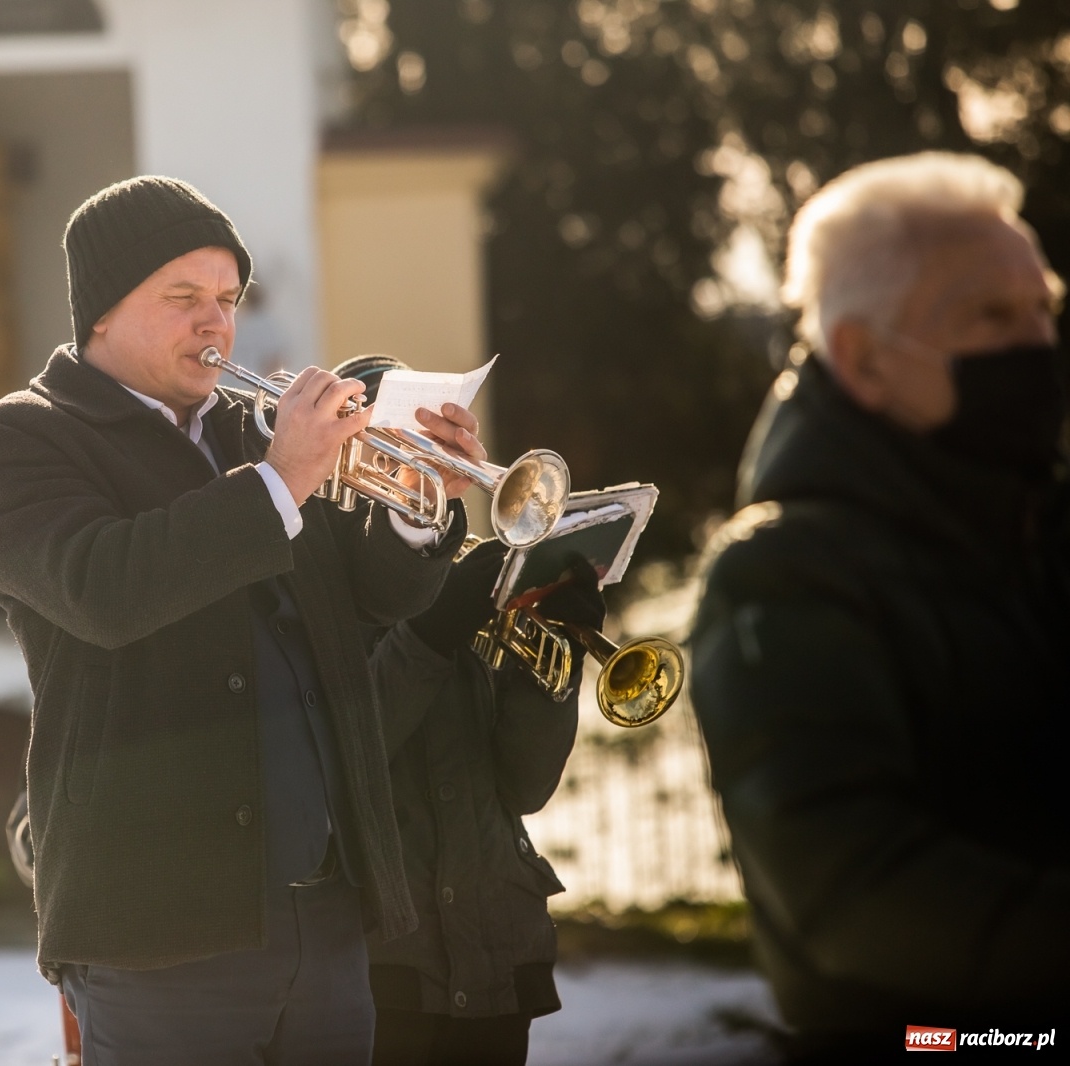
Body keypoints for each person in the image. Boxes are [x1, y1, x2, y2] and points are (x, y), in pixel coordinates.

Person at [0, 176, 489, 1065]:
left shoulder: (255, 433)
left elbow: (367, 601)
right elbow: (104, 589)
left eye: (228, 300)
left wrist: (421, 506)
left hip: (327, 911)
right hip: (161, 927)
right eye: (183, 298)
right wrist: (281, 482)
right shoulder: (14, 443)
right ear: (102, 315)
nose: (216, 324)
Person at [690, 152, 1070, 1058]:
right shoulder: (784, 575)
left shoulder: (1041, 527)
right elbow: (853, 896)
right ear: (861, 358)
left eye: (1044, 309)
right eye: (989, 315)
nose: (1035, 345)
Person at [337, 357, 598, 1066]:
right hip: (383, 969)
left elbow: (526, 786)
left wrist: (557, 662)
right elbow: (344, 756)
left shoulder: (474, 576)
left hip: (493, 963)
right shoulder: (317, 586)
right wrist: (429, 633)